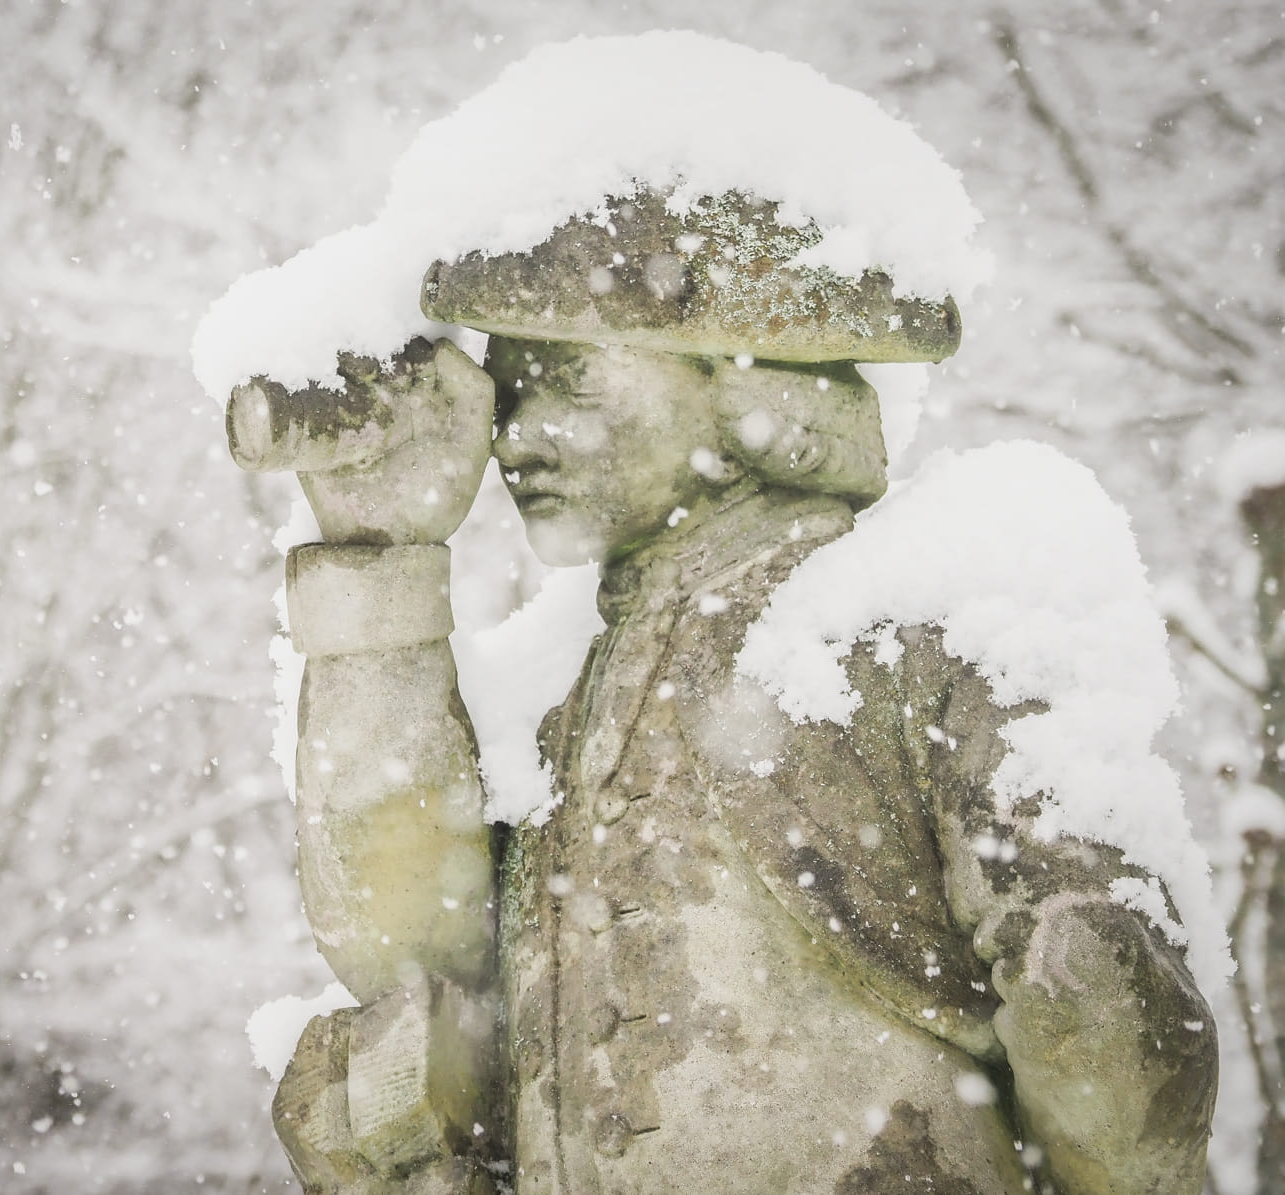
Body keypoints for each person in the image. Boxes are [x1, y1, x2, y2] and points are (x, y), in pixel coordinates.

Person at [251, 191, 1218, 1195]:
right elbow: (404, 951)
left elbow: (1110, 1032)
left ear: (741, 381)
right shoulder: (557, 678)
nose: (515, 437)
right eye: (508, 396)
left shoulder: (919, 612)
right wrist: (378, 559)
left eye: (565, 382)